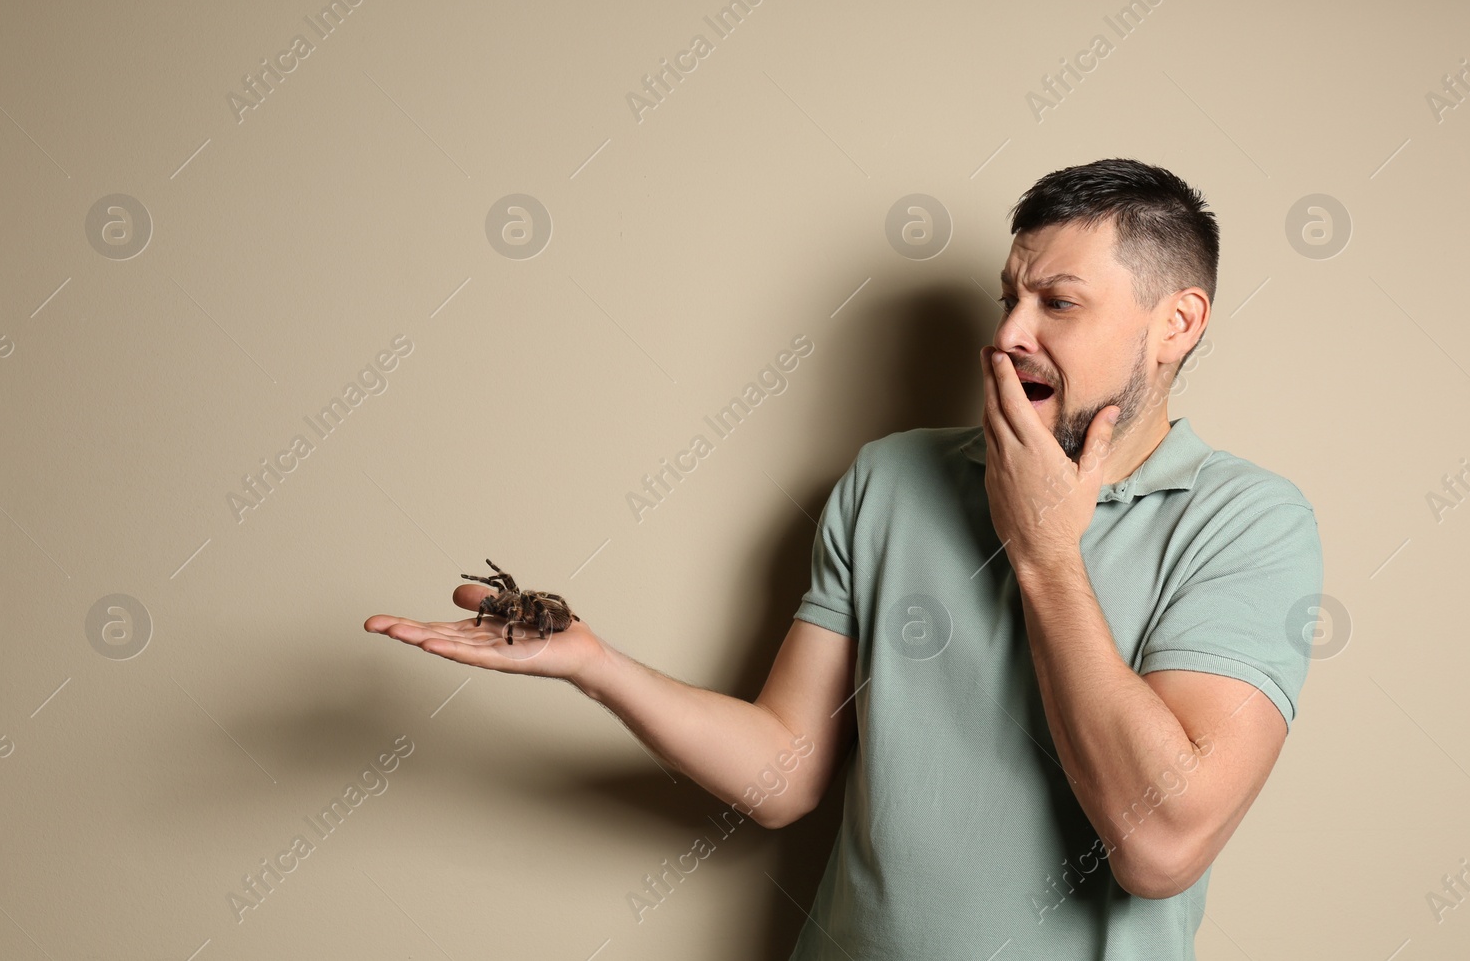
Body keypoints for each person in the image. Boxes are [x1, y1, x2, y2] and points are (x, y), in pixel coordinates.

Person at [365, 157, 1324, 960]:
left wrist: (1043, 553)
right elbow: (785, 773)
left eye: (1057, 303)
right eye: (1009, 296)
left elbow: (1159, 844)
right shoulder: (890, 478)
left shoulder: (1248, 521)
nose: (1007, 335)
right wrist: (591, 662)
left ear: (1177, 323)